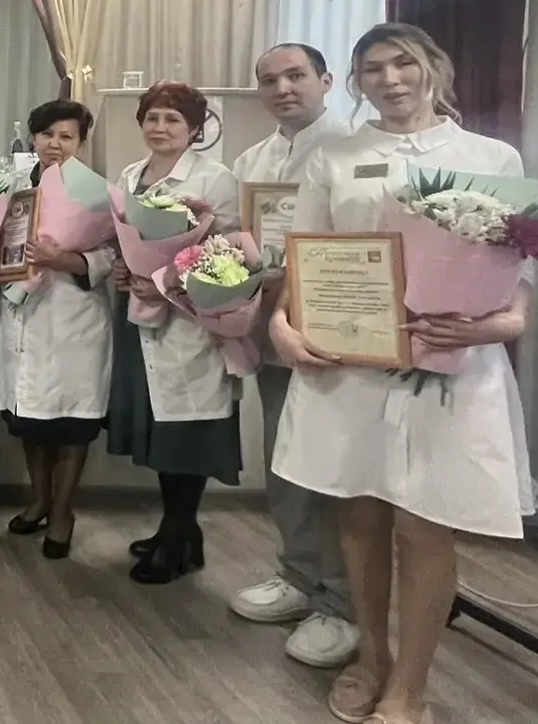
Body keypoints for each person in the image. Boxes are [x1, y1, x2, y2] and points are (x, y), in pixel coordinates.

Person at [270, 24, 533, 724]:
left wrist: (500, 324)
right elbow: (306, 256)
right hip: (353, 363)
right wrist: (282, 324)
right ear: (356, 83)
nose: (390, 80)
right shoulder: (336, 157)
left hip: (452, 365)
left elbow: (518, 275)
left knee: (425, 525)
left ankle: (410, 687)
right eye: (373, 69)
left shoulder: (490, 156)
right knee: (359, 513)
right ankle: (372, 657)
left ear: (433, 67)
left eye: (403, 63)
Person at [228, 46, 359, 668]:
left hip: (335, 332)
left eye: (296, 76)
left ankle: (343, 602)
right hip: (271, 327)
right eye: (269, 80)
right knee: (284, 460)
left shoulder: (357, 150)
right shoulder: (252, 160)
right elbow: (242, 240)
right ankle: (301, 575)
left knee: (333, 467)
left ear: (326, 81)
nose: (282, 88)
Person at [104, 82, 243, 585]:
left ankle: (177, 533)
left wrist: (166, 280)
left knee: (189, 432)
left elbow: (229, 252)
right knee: (163, 431)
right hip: (141, 316)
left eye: (173, 120)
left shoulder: (215, 178)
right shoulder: (130, 175)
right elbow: (127, 241)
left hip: (190, 321)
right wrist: (124, 268)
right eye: (153, 118)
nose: (160, 128)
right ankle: (181, 531)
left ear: (195, 129)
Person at [0, 99, 111, 562]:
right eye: (47, 135)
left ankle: (63, 511)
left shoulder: (95, 194)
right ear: (33, 139)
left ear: (80, 143)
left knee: (72, 423)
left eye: (66, 137)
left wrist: (63, 259)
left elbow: (114, 255)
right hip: (24, 317)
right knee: (29, 419)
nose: (55, 144)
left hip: (74, 318)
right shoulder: (13, 191)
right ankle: (40, 499)